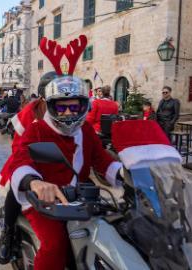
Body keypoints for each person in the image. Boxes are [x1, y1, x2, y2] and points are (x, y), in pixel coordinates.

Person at [8, 76, 122, 270]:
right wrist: (34, 182)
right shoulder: (38, 129)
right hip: (44, 199)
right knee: (54, 245)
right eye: (61, 108)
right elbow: (21, 157)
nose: (68, 112)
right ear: (52, 107)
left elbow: (101, 158)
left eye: (74, 107)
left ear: (83, 106)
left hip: (80, 196)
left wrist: (124, 174)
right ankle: (8, 235)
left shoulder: (86, 129)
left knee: (111, 232)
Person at [0, 71, 56, 264]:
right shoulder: (32, 110)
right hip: (31, 162)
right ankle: (8, 231)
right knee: (17, 189)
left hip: (62, 164)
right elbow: (18, 144)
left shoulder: (69, 107)